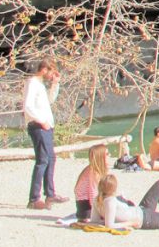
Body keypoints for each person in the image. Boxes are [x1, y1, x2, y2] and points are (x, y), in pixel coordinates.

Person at [23, 59, 68, 210]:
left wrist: (55, 84)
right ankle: (34, 198)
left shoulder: (40, 85)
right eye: (50, 72)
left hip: (46, 125)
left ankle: (50, 193)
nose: (51, 75)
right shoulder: (32, 83)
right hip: (38, 126)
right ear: (44, 70)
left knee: (51, 158)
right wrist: (41, 121)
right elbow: (28, 106)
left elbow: (48, 101)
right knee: (42, 160)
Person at [73, 144, 109, 221]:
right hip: (85, 207)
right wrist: (100, 212)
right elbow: (93, 195)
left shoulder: (96, 170)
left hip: (90, 203)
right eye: (107, 154)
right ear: (100, 157)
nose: (109, 156)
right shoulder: (93, 173)